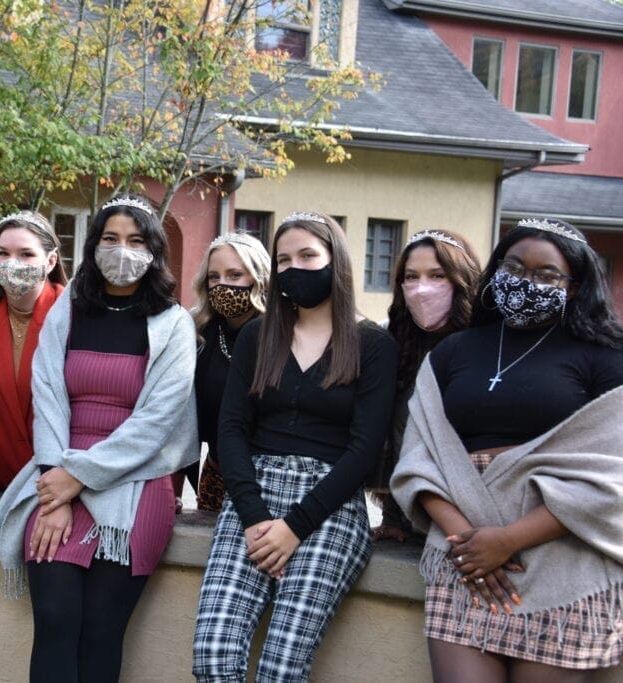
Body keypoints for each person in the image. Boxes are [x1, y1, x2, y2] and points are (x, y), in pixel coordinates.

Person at [392, 217, 623, 682]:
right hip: (466, 561)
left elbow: (613, 471)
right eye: (514, 267)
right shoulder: (454, 351)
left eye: (545, 275)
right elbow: (420, 457)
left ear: (575, 287)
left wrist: (508, 541)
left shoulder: (606, 356)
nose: (525, 281)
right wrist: (468, 544)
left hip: (566, 562)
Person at [0, 194, 198, 682]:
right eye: (109, 239)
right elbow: (48, 397)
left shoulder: (173, 324)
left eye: (135, 240)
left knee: (102, 632)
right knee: (57, 621)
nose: (121, 251)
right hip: (57, 471)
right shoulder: (68, 309)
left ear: (154, 251)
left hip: (137, 482)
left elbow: (156, 422)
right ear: (92, 246)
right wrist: (55, 488)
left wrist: (75, 478)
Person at [192, 211, 398, 682]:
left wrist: (294, 528)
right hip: (252, 501)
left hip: (328, 505)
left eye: (308, 256)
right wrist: (255, 517)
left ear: (335, 261)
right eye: (283, 260)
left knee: (280, 669)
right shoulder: (257, 337)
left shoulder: (372, 345)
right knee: (214, 654)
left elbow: (364, 450)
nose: (295, 269)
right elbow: (231, 430)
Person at [370, 229, 480, 542]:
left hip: (474, 519)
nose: (421, 289)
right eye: (411, 276)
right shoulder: (394, 343)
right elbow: (394, 432)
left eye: (437, 275)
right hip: (409, 514)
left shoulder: (487, 346)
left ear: (462, 278)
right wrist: (392, 516)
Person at [0, 210, 67, 497]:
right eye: (3, 253)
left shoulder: (73, 312)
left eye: (26, 254)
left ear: (51, 261)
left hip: (59, 478)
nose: (12, 263)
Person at [186, 231, 271, 512]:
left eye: (235, 275)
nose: (223, 285)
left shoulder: (283, 335)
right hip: (217, 477)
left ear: (259, 278)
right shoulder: (197, 333)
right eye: (214, 277)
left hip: (272, 478)